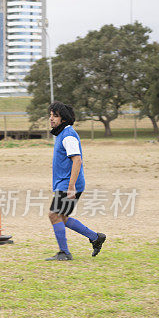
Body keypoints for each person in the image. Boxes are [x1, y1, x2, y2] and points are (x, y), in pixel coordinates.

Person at [46, 101, 106, 261]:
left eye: (55, 116)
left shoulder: (68, 135)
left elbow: (77, 160)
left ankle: (64, 253)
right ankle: (95, 237)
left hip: (69, 184)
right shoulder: (62, 134)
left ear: (63, 119)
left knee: (54, 215)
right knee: (62, 217)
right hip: (65, 183)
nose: (51, 119)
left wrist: (71, 187)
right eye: (50, 115)